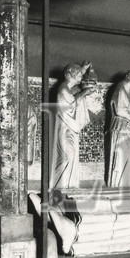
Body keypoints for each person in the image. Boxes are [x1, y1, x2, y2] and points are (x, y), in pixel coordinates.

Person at [49, 60, 94, 196]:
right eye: (79, 75)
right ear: (72, 75)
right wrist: (83, 93)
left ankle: (68, 184)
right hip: (65, 128)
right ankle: (59, 185)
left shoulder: (67, 89)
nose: (81, 78)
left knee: (71, 155)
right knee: (67, 156)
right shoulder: (63, 89)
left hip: (70, 129)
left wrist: (84, 69)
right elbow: (69, 106)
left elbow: (73, 101)